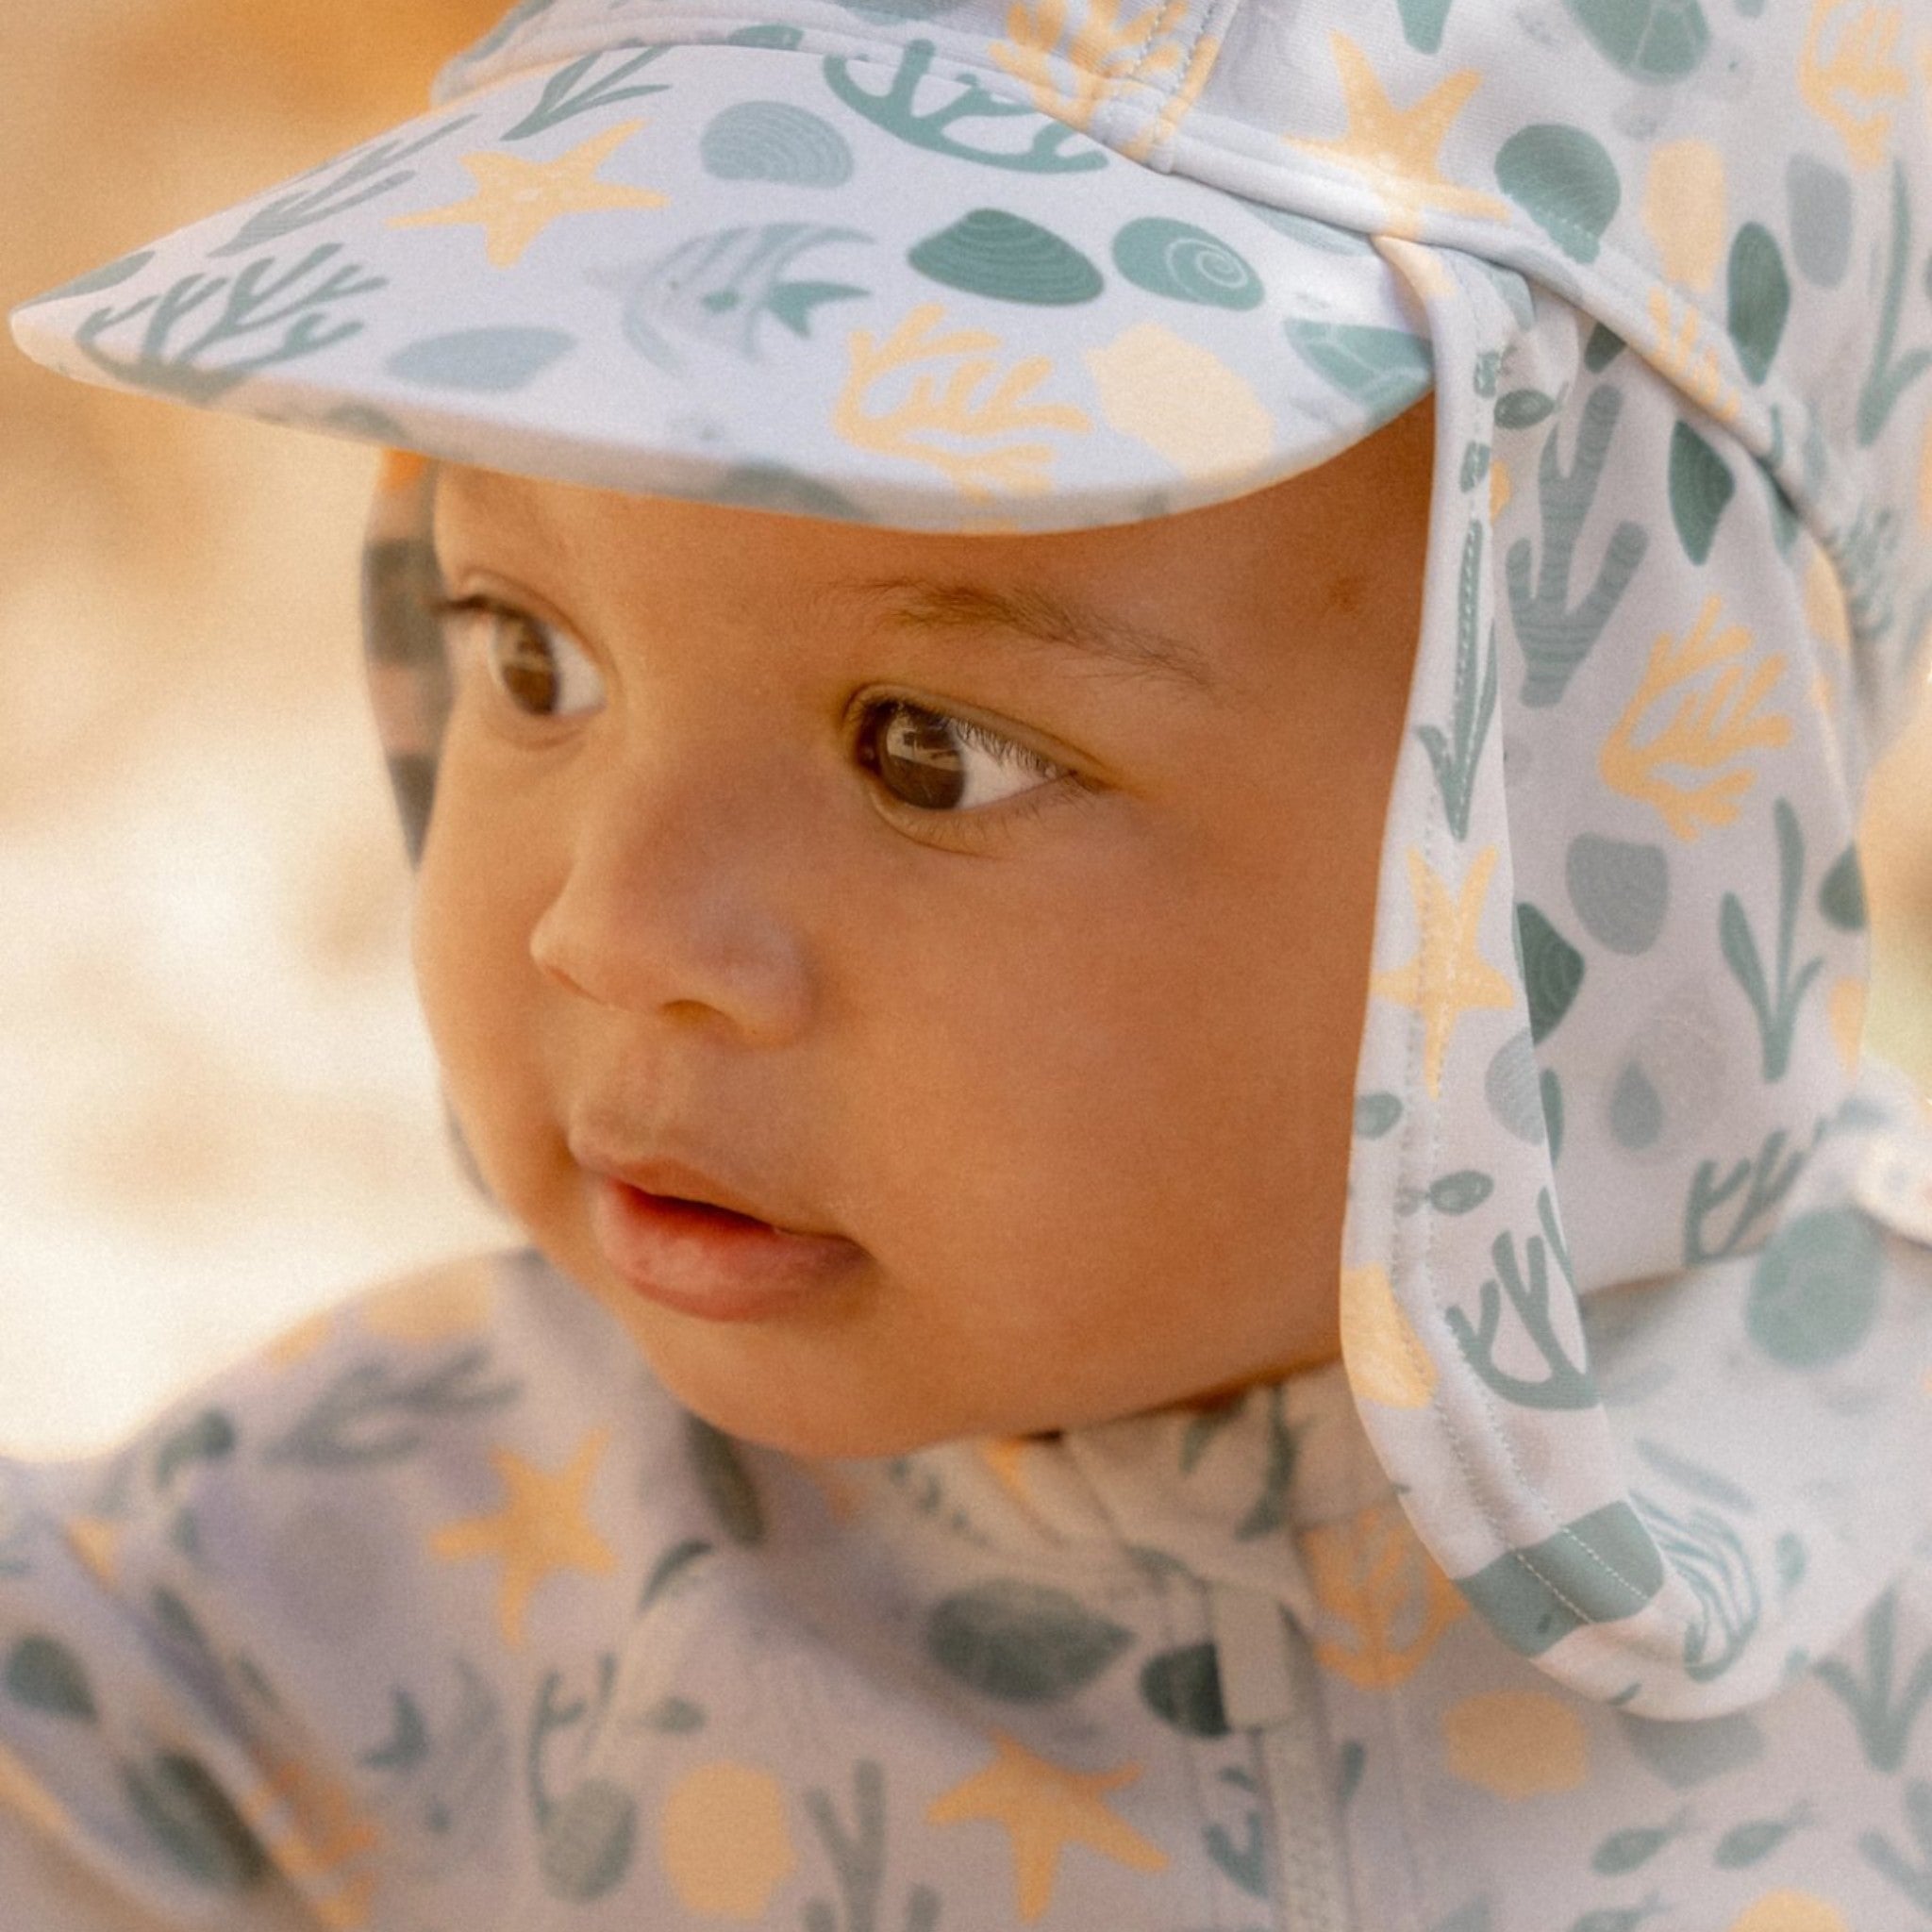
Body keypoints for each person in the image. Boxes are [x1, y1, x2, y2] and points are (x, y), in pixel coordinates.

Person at [7, 0, 1932, 1923]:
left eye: (927, 751)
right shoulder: (338, 1601)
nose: (611, 929)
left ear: (1609, 837)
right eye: (534, 655)